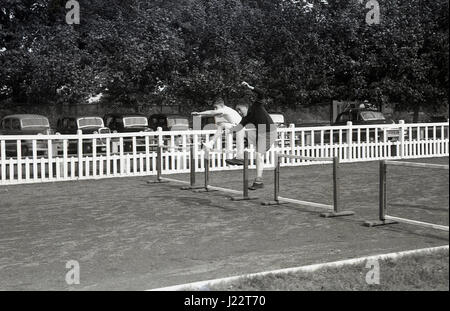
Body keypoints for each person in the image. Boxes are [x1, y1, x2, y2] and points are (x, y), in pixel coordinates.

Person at [226, 81, 277, 190]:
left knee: (258, 155)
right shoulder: (246, 118)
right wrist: (227, 130)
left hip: (269, 132)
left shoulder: (256, 106)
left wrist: (250, 87)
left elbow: (262, 93)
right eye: (237, 111)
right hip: (261, 132)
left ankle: (259, 181)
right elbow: (238, 128)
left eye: (239, 110)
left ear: (245, 107)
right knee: (242, 134)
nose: (239, 112)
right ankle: (239, 157)